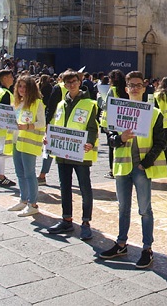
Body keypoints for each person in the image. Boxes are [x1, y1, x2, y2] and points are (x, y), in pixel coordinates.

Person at [99, 71, 167, 268]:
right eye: (132, 85)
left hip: (141, 168)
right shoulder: (117, 110)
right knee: (123, 208)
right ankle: (121, 243)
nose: (135, 88)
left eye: (139, 85)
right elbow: (110, 140)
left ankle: (147, 248)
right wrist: (120, 138)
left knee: (145, 209)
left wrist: (145, 163)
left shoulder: (154, 113)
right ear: (126, 88)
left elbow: (161, 142)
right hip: (122, 165)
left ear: (144, 88)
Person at [46, 70, 99, 241]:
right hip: (62, 152)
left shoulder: (89, 103)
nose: (71, 85)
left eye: (74, 81)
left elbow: (92, 127)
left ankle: (85, 222)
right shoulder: (61, 104)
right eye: (67, 82)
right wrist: (49, 138)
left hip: (81, 153)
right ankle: (66, 219)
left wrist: (90, 142)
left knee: (84, 187)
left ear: (80, 81)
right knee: (65, 187)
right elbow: (56, 124)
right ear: (63, 84)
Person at [6, 75, 47, 217]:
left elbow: (42, 123)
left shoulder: (37, 103)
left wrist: (27, 126)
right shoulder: (17, 103)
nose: (22, 89)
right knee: (19, 172)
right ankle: (23, 199)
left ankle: (33, 203)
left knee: (30, 174)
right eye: (20, 86)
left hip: (28, 141)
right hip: (17, 140)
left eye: (25, 86)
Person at [99, 69, 127, 179]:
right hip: (121, 120)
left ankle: (112, 170)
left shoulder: (112, 90)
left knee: (112, 146)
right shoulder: (125, 90)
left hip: (110, 121)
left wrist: (99, 98)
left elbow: (105, 106)